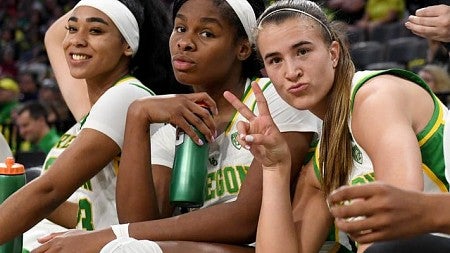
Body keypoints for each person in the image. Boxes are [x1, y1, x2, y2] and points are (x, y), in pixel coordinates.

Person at [32, 0, 322, 252]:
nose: (185, 42)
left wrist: (111, 235)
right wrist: (137, 116)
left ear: (243, 48)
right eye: (180, 29)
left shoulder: (271, 97)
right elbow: (141, 221)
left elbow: (246, 220)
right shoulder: (172, 115)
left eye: (206, 33)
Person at [221, 0, 449, 252]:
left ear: (333, 53)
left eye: (303, 51)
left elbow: (397, 225)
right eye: (275, 60)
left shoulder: (375, 98)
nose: (291, 71)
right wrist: (275, 167)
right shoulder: (325, 156)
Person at [0, 0, 178, 249]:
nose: (77, 40)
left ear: (127, 45)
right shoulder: (93, 111)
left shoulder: (126, 95)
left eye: (95, 31)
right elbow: (89, 211)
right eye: (73, 29)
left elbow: (49, 190)